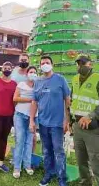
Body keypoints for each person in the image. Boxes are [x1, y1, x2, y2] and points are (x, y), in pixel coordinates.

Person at [71, 54, 99, 186]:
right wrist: (71, 121)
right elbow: (74, 101)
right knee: (81, 162)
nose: (81, 66)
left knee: (98, 164)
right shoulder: (75, 79)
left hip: (93, 129)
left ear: (91, 64)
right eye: (78, 63)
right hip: (77, 127)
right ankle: (85, 183)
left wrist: (90, 116)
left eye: (84, 63)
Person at [30, 55, 70, 186]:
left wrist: (67, 119)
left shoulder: (60, 79)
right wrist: (32, 120)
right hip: (43, 123)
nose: (45, 64)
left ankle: (62, 178)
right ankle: (48, 173)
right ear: (40, 66)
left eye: (47, 62)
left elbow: (67, 100)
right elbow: (34, 102)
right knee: (46, 150)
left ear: (52, 64)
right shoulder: (38, 82)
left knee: (58, 151)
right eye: (42, 63)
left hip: (57, 123)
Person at [13, 66, 38, 179]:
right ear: (27, 74)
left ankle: (27, 165)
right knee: (20, 141)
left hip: (33, 117)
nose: (32, 73)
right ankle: (17, 167)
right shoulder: (21, 84)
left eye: (34, 72)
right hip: (20, 115)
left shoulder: (38, 85)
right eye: (31, 72)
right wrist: (30, 99)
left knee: (29, 142)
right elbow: (15, 98)